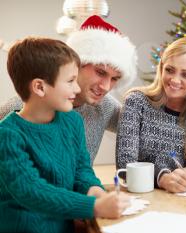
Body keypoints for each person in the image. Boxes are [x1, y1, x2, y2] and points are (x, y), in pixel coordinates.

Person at [0, 37, 130, 233]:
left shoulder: (72, 122)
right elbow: (32, 191)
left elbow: (81, 170)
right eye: (70, 81)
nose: (77, 89)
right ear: (39, 87)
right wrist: (93, 206)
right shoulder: (8, 135)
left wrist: (94, 190)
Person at [0, 15, 137, 164]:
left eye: (115, 78)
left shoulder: (105, 106)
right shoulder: (19, 109)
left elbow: (143, 125)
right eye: (100, 72)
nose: (106, 86)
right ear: (77, 64)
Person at [116, 37, 186, 193]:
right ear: (161, 68)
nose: (175, 80)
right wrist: (162, 176)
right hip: (141, 198)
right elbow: (125, 166)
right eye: (169, 70)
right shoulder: (136, 103)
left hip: (185, 204)